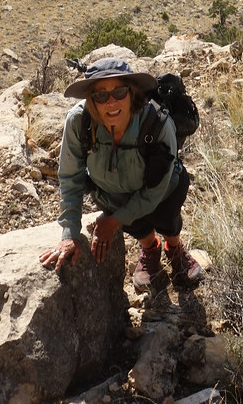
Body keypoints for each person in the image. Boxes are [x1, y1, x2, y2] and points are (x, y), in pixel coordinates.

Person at [39, 57, 203, 291]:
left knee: (167, 212)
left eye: (119, 92)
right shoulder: (78, 121)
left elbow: (156, 189)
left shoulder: (156, 122)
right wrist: (69, 233)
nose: (111, 102)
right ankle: (150, 248)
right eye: (101, 95)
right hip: (113, 194)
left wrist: (113, 220)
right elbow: (70, 178)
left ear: (132, 93)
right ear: (91, 99)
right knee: (131, 217)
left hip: (162, 191)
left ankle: (174, 247)